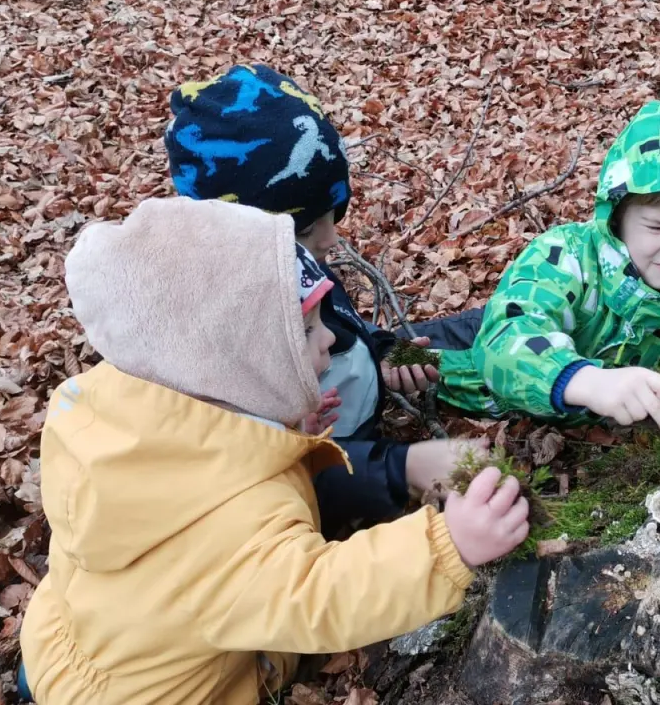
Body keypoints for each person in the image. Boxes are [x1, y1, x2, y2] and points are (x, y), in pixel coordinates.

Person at [18, 197, 529, 704]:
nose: (329, 337)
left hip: (67, 641)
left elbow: (216, 458)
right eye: (305, 330)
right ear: (243, 366)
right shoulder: (225, 532)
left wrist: (278, 429)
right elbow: (319, 595)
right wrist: (447, 545)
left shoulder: (125, 414)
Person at [164, 64, 482, 535]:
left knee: (479, 330)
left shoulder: (284, 271)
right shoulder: (222, 352)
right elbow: (274, 469)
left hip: (359, 414)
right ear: (238, 235)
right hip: (333, 491)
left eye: (333, 214)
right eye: (310, 227)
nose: (333, 238)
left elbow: (343, 328)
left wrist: (386, 352)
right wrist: (400, 467)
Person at [437, 101, 660, 429]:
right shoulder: (565, 257)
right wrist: (586, 382)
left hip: (550, 447)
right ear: (618, 216)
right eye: (658, 227)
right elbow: (505, 337)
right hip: (457, 387)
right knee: (393, 359)